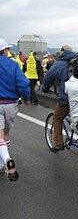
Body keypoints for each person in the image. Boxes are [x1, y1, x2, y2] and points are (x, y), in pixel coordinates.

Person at [0, 38, 31, 181]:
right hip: (10, 103)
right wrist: (26, 98)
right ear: (4, 50)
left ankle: (5, 160)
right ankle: (3, 163)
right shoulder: (13, 65)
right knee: (5, 133)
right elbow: (23, 84)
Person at [42, 45, 78, 152]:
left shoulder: (59, 64)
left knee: (57, 117)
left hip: (66, 97)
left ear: (62, 52)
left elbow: (48, 77)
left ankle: (58, 143)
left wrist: (44, 89)